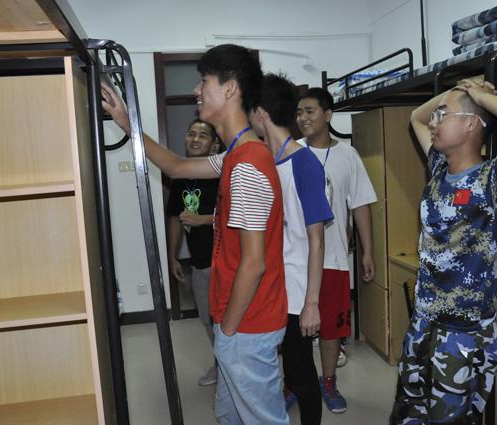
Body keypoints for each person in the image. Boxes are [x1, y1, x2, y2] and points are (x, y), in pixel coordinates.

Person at [101, 43, 289, 425]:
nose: (196, 90)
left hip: (247, 325)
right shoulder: (236, 155)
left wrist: (229, 330)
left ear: (230, 89)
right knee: (230, 416)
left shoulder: (248, 165)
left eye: (205, 81)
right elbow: (175, 165)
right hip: (237, 321)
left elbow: (254, 264)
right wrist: (125, 120)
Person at [390, 79, 497, 424]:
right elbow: (416, 116)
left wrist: (478, 96)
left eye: (442, 114)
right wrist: (452, 93)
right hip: (424, 321)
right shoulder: (439, 169)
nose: (434, 121)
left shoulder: (493, 179)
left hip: (463, 333)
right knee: (409, 414)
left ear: (472, 123)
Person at [248, 74, 333, 424]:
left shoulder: (304, 163)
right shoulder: (263, 160)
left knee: (300, 373)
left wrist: (312, 304)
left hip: (297, 292)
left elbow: (317, 239)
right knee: (279, 371)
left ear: (261, 113)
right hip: (269, 285)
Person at [296, 87, 377, 414]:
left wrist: (368, 251)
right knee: (294, 328)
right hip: (296, 259)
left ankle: (328, 381)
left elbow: (361, 205)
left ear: (328, 114)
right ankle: (294, 383)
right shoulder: (290, 153)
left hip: (335, 258)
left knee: (331, 326)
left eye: (310, 111)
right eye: (299, 112)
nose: (302, 118)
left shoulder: (348, 155)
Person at [166, 119, 221, 387]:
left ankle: (230, 369)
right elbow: (175, 218)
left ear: (214, 144)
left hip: (224, 262)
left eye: (203, 135)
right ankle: (221, 365)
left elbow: (237, 215)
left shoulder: (223, 172)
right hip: (199, 262)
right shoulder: (180, 175)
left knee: (226, 320)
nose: (195, 139)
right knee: (207, 319)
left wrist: (203, 220)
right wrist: (172, 256)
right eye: (191, 134)